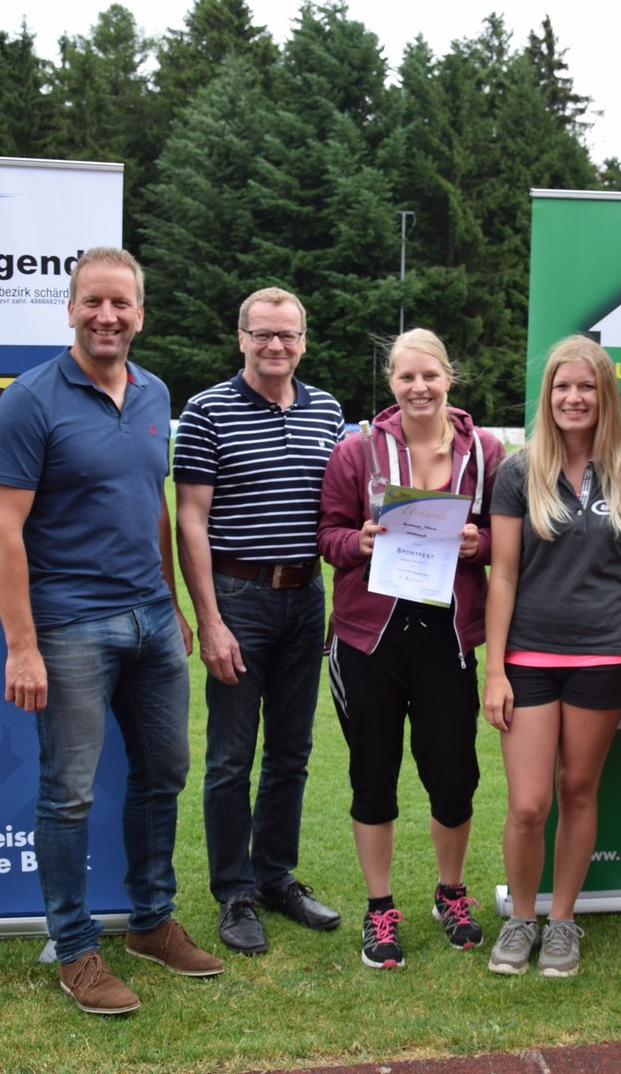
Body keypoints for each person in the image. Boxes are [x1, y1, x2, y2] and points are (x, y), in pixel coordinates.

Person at [0, 246, 223, 1016]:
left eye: (121, 303)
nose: (106, 316)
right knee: (69, 794)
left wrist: (173, 603)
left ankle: (151, 922)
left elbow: (153, 506)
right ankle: (76, 950)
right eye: (93, 301)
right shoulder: (29, 401)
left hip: (152, 621)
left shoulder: (154, 391)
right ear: (70, 308)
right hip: (69, 627)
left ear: (140, 314)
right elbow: (0, 528)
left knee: (164, 773)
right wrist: (22, 645)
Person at [317, 329, 505, 970]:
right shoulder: (358, 450)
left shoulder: (485, 452)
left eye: (430, 375)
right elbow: (328, 534)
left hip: (446, 637)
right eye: (406, 377)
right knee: (373, 775)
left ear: (449, 378)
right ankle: (379, 908)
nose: (419, 387)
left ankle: (450, 892)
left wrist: (483, 544)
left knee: (453, 776)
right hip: (368, 637)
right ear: (391, 383)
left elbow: (507, 536)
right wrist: (359, 543)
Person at [481, 336, 621, 978]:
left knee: (578, 790)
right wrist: (495, 669)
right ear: (548, 395)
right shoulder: (517, 471)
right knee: (529, 803)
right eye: (562, 386)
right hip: (528, 659)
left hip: (604, 658)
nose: (574, 398)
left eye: (586, 386)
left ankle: (562, 923)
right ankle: (522, 918)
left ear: (605, 394)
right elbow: (503, 575)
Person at [174, 287, 344, 955]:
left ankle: (275, 877)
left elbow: (338, 514)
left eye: (287, 334)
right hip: (238, 597)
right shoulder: (206, 410)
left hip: (306, 596)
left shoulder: (327, 410)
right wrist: (209, 620)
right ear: (241, 337)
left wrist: (338, 600)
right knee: (230, 757)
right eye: (263, 334)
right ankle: (234, 891)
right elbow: (191, 518)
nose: (276, 345)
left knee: (292, 752)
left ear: (303, 341)